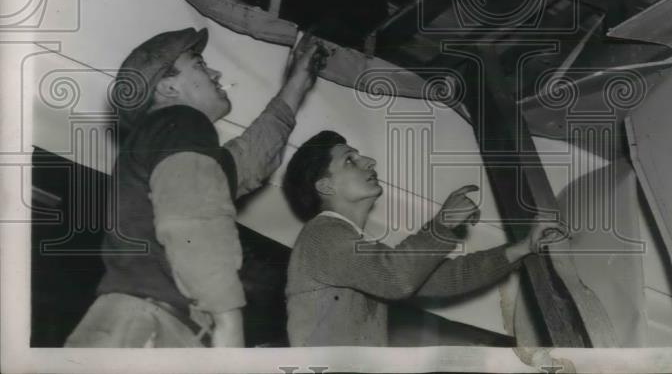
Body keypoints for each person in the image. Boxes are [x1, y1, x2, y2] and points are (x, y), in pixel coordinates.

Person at [65, 26, 327, 348]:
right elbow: (195, 221)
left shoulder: (166, 139)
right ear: (169, 87)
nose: (216, 72)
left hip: (136, 326)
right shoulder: (181, 122)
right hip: (148, 328)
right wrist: (228, 321)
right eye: (200, 64)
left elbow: (251, 158)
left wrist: (297, 83)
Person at [282, 130, 567, 346]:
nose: (369, 161)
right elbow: (396, 278)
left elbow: (445, 278)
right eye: (350, 160)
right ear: (326, 186)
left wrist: (521, 248)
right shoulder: (322, 236)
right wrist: (442, 225)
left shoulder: (354, 247)